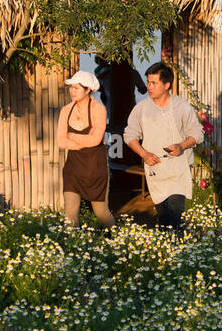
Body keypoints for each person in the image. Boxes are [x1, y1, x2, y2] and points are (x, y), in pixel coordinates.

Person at [123, 61, 204, 234]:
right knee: (162, 216)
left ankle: (179, 250)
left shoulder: (181, 106)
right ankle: (168, 253)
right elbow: (129, 135)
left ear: (166, 85)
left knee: (175, 212)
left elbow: (197, 133)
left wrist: (182, 145)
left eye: (154, 83)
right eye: (148, 82)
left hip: (177, 168)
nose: (149, 87)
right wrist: (144, 154)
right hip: (155, 168)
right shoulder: (142, 109)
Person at [57, 70, 114, 229]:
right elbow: (61, 141)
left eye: (76, 88)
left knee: (101, 212)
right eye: (71, 87)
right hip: (73, 167)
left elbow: (95, 140)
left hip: (94, 168)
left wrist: (71, 136)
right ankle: (72, 247)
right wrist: (83, 141)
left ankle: (116, 240)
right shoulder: (66, 110)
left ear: (88, 89)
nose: (72, 91)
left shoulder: (98, 109)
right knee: (70, 213)